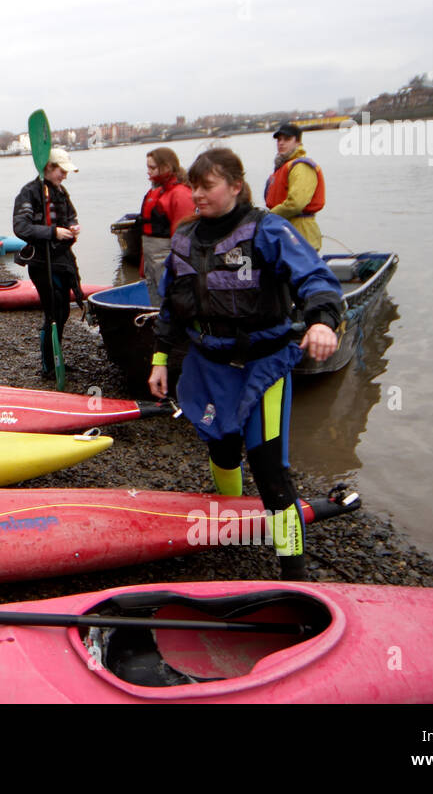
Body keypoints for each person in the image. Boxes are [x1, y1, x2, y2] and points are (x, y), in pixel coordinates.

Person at [148, 147, 342, 581]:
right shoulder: (184, 238)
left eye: (208, 185)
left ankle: (295, 575)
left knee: (271, 475)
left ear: (235, 186)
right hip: (209, 365)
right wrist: (161, 359)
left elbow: (316, 279)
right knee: (221, 447)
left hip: (263, 366)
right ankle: (233, 519)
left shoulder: (268, 231)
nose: (198, 194)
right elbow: (170, 308)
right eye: (193, 185)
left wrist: (322, 322)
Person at [13, 147, 82, 378]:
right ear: (48, 168)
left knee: (63, 311)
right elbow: (21, 227)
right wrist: (53, 232)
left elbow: (70, 215)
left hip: (62, 260)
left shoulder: (60, 192)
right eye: (61, 171)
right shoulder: (29, 192)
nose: (65, 175)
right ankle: (48, 367)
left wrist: (72, 227)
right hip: (42, 263)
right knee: (53, 312)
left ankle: (57, 359)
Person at [139, 147, 195, 308]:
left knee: (172, 300)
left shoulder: (180, 193)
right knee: (156, 300)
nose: (148, 172)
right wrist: (144, 263)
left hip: (167, 257)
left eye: (152, 168)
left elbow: (183, 237)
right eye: (147, 167)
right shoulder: (155, 191)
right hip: (152, 258)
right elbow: (146, 232)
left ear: (166, 167)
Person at [264, 123, 325, 252]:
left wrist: (267, 217)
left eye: (286, 139)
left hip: (301, 234)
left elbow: (296, 203)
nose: (281, 143)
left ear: (298, 142)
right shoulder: (284, 167)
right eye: (279, 140)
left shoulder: (301, 167)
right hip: (284, 230)